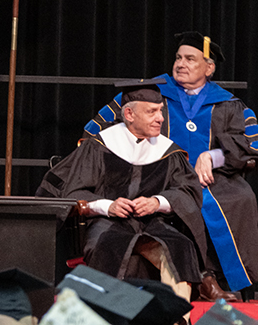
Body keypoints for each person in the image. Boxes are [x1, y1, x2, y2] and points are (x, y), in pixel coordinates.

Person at [82, 32, 258, 300]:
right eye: (178, 57)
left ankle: (229, 281)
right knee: (182, 199)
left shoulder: (228, 104)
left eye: (190, 59)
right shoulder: (153, 93)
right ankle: (203, 278)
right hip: (158, 176)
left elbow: (254, 148)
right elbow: (96, 129)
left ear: (209, 68)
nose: (181, 63)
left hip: (213, 179)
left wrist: (213, 156)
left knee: (240, 198)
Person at [38, 78, 212, 303]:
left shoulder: (168, 151)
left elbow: (188, 192)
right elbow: (73, 192)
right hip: (107, 224)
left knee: (180, 246)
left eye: (160, 111)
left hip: (153, 224)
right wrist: (108, 206)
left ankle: (178, 318)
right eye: (152, 112)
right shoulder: (99, 146)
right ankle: (106, 315)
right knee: (107, 245)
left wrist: (157, 202)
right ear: (129, 114)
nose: (161, 118)